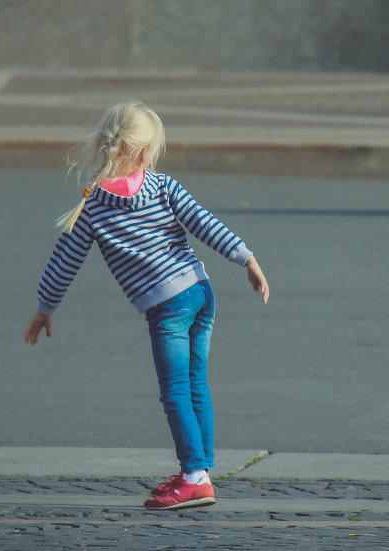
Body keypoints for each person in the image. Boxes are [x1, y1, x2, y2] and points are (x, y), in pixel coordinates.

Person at [22, 101, 270, 510]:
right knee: (194, 384)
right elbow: (204, 222)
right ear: (141, 152)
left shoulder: (93, 205)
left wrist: (44, 308)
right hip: (200, 291)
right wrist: (247, 258)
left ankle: (194, 478)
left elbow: (64, 262)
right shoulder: (163, 186)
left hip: (168, 307)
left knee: (174, 390)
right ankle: (199, 471)